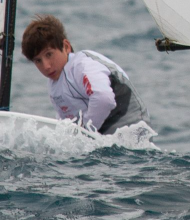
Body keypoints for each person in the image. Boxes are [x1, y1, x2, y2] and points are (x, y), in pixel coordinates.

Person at [21, 15, 150, 134]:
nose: (46, 66)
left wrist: (84, 133)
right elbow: (66, 124)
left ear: (66, 46)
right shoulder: (54, 84)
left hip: (132, 130)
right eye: (38, 61)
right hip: (107, 138)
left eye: (49, 54)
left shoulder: (82, 65)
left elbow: (104, 99)